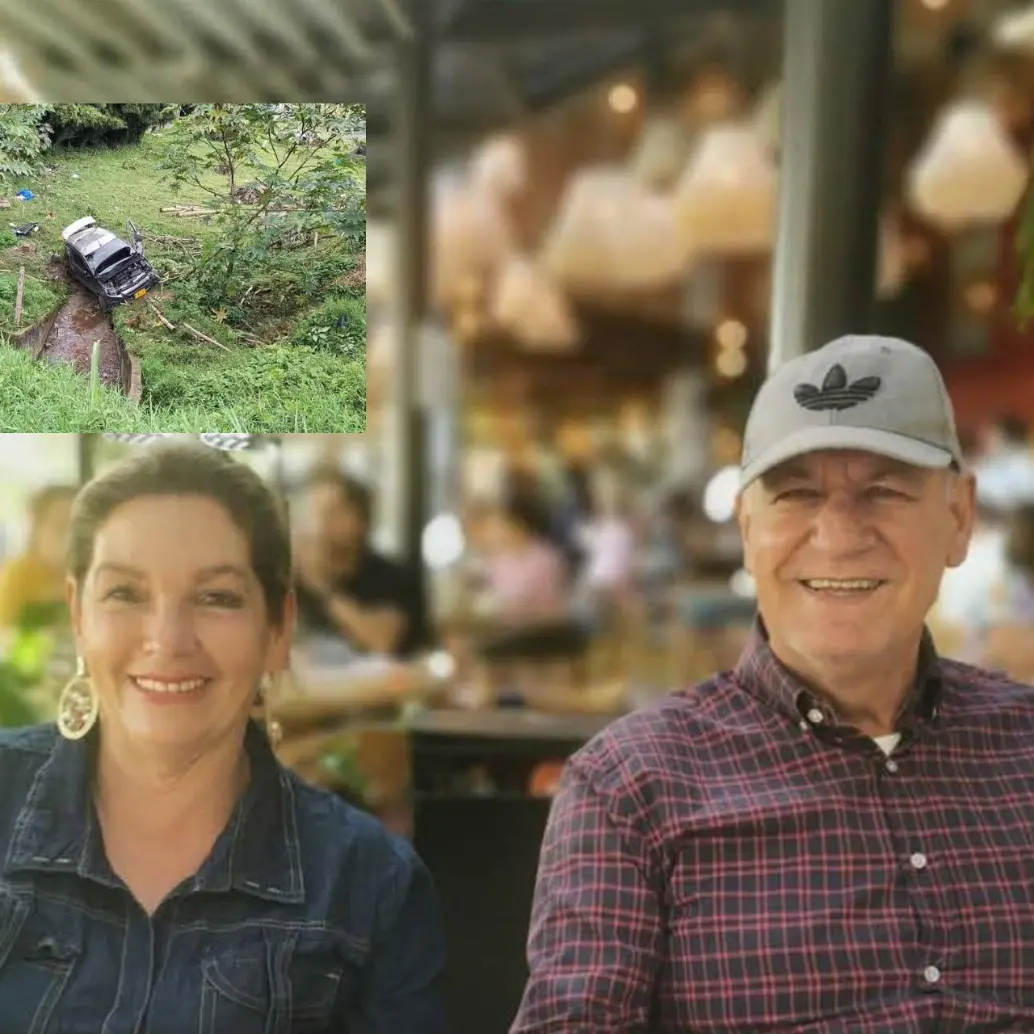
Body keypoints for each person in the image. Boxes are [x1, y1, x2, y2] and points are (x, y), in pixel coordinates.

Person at [511, 334, 1034, 1033]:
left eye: (884, 491)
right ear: (747, 529)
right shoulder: (630, 790)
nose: (839, 535)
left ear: (959, 519)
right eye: (796, 494)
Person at [0, 442, 446, 1033]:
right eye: (125, 593)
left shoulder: (369, 885)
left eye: (216, 597)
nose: (168, 640)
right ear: (78, 616)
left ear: (278, 629)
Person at [292, 467, 428, 658]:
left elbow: (382, 642)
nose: (318, 525)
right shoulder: (287, 578)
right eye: (311, 513)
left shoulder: (394, 579)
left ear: (360, 521)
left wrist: (323, 590)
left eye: (332, 512)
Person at [0, 484, 76, 629]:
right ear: (36, 532)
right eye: (61, 528)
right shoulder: (18, 574)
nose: (70, 538)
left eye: (78, 529)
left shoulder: (93, 573)